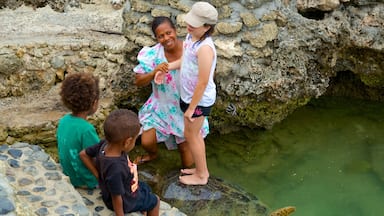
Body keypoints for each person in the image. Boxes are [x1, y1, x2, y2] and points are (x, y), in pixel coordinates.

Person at [132, 16, 209, 168]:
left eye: (168, 33)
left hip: (184, 108)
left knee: (187, 157)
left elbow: (206, 76)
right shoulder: (153, 55)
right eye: (161, 36)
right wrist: (154, 72)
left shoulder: (191, 50)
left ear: (175, 30)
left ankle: (186, 177)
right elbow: (138, 81)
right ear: (156, 38)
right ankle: (153, 155)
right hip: (160, 107)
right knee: (146, 141)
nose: (166, 38)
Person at [79, 109, 160, 216]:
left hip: (121, 188)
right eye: (135, 140)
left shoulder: (104, 144)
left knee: (146, 188)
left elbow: (83, 154)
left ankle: (142, 209)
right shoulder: (116, 168)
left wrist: (98, 176)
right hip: (126, 201)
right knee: (155, 200)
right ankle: (145, 208)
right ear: (127, 142)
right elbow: (116, 197)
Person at [177, 1, 218, 185]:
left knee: (191, 135)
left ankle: (202, 176)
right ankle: (201, 169)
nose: (190, 25)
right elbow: (184, 61)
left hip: (199, 101)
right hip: (189, 96)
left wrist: (192, 108)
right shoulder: (191, 37)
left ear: (207, 27)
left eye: (195, 24)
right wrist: (166, 67)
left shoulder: (205, 48)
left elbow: (203, 81)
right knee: (194, 134)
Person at [56, 72, 100, 189]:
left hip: (69, 174)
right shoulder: (86, 129)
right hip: (85, 180)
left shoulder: (64, 121)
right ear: (94, 103)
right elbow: (97, 158)